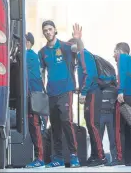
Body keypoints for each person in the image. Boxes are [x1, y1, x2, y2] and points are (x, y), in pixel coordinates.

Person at [38, 20, 82, 168]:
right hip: (51, 93)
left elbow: (79, 50)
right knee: (55, 124)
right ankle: (57, 158)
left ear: (55, 30)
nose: (48, 32)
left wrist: (77, 38)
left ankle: (74, 155)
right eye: (45, 30)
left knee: (66, 120)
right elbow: (42, 73)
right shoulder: (42, 52)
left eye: (50, 29)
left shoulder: (66, 47)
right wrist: (42, 91)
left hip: (66, 90)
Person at [75, 48, 107, 167]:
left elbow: (90, 74)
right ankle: (94, 155)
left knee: (93, 124)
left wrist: (83, 92)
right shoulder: (80, 56)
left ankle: (100, 156)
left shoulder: (83, 54)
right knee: (90, 124)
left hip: (93, 93)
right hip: (90, 93)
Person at [113, 42, 131, 166]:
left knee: (128, 128)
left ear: (120, 51)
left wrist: (120, 91)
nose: (113, 54)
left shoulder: (123, 58)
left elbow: (122, 75)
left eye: (114, 51)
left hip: (128, 96)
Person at [24, 32, 47, 168]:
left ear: (27, 43)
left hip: (34, 96)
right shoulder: (33, 55)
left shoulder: (29, 55)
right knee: (35, 126)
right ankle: (39, 158)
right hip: (35, 96)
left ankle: (40, 158)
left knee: (35, 126)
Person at [99, 85, 120, 166]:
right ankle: (101, 158)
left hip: (111, 114)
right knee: (99, 138)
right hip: (102, 114)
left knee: (112, 137)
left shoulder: (115, 89)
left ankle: (114, 158)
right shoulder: (98, 87)